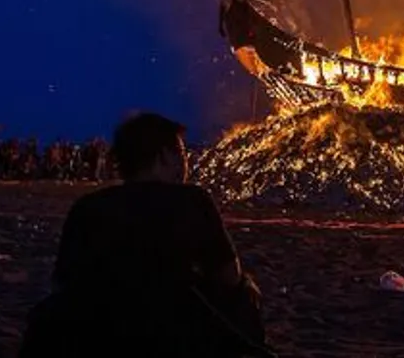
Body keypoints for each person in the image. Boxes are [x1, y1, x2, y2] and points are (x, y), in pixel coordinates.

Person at [20, 112, 270, 357]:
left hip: (98, 333)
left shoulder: (87, 207)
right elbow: (228, 276)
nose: (186, 163)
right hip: (172, 333)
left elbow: (62, 283)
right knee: (245, 291)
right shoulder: (191, 200)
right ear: (163, 156)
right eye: (182, 154)